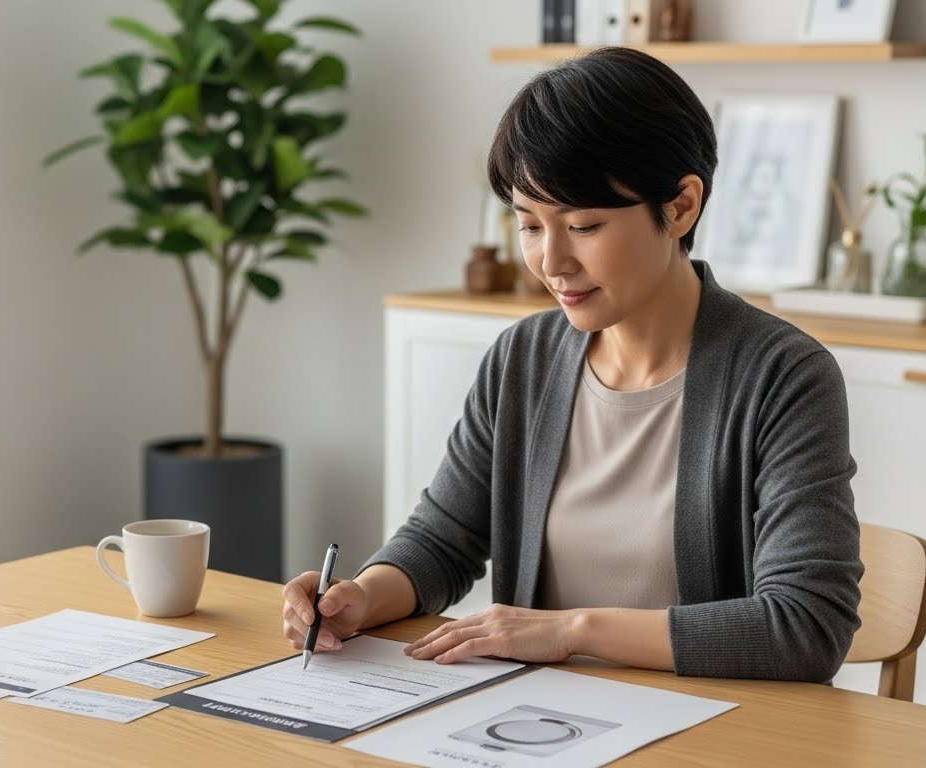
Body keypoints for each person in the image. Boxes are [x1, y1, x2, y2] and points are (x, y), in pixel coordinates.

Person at [281, 47, 862, 683]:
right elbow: (442, 543)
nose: (551, 262)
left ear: (680, 207)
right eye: (529, 225)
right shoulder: (522, 359)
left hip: (708, 730)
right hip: (536, 723)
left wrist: (570, 629)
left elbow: (804, 627)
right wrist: (361, 596)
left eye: (583, 225)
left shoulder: (782, 376)